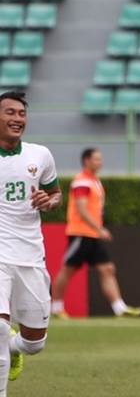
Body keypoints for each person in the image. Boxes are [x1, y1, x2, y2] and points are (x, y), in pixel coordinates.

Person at [0, 91, 62, 396]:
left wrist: (48, 201)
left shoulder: (40, 155)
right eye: (10, 113)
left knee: (35, 342)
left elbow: (56, 194)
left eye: (21, 114)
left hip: (31, 256)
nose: (17, 119)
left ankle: (15, 348)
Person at [50, 148, 140, 318]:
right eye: (96, 159)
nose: (100, 162)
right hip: (81, 233)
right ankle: (56, 308)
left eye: (100, 159)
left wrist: (97, 230)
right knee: (67, 270)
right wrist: (99, 228)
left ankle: (119, 308)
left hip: (92, 234)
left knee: (107, 268)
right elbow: (81, 207)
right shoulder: (82, 182)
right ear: (86, 161)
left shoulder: (94, 181)